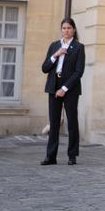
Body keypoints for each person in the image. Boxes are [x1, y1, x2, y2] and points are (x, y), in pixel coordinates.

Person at [40, 18, 85, 166]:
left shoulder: (79, 47)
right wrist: (56, 55)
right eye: (64, 28)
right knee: (54, 123)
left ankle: (72, 155)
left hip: (70, 89)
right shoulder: (54, 46)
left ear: (74, 30)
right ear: (61, 30)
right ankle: (50, 156)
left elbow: (79, 72)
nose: (66, 31)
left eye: (69, 28)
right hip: (53, 87)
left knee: (72, 122)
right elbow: (45, 68)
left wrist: (64, 89)